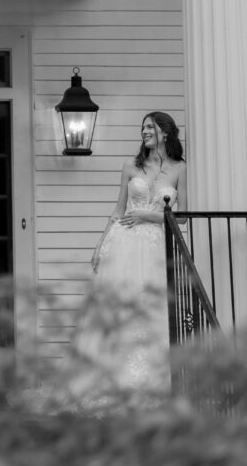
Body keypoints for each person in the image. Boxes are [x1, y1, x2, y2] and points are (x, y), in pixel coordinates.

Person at [71, 111, 187, 406]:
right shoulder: (130, 166)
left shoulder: (179, 169)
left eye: (151, 127)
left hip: (156, 247)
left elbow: (182, 218)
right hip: (123, 244)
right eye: (143, 127)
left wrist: (150, 215)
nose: (145, 131)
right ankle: (109, 381)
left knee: (153, 307)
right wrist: (99, 245)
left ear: (166, 132)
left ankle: (154, 383)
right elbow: (118, 209)